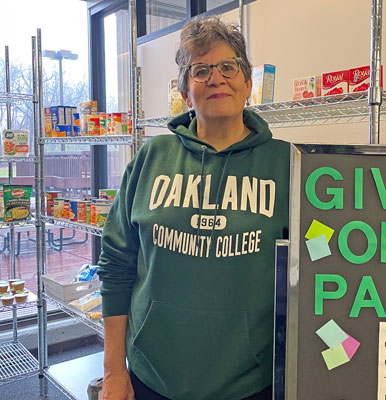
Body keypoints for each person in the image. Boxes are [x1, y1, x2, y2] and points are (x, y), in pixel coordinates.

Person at [98, 16, 290, 400]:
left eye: (228, 66)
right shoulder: (151, 158)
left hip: (250, 381)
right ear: (185, 93)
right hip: (152, 377)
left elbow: (317, 267)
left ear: (248, 83)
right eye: (200, 70)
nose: (216, 78)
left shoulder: (287, 165)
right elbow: (116, 266)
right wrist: (113, 372)